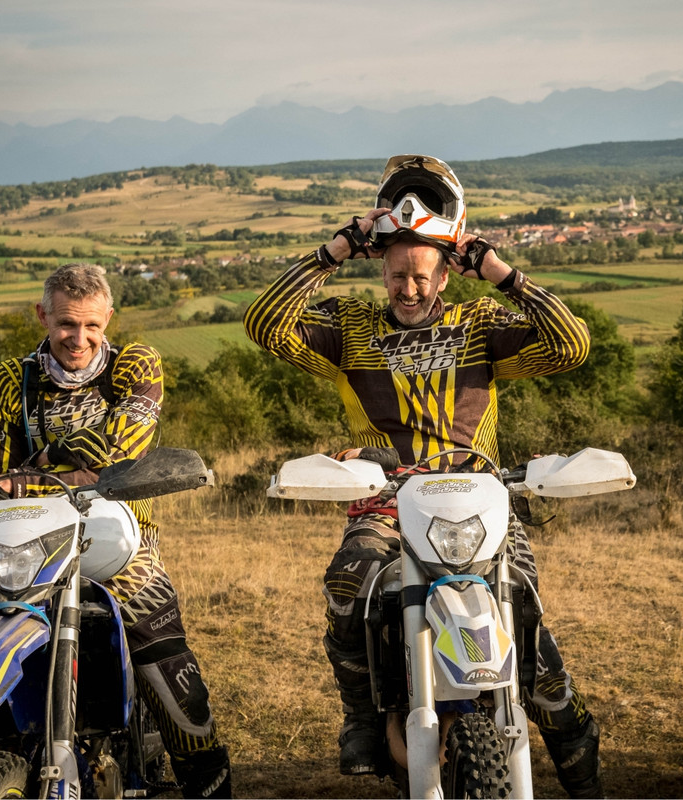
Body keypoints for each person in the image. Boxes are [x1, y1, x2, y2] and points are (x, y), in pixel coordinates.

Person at [244, 155, 602, 797]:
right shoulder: (351, 330)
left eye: (422, 276)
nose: (409, 289)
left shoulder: (480, 326)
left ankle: (575, 746)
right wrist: (336, 248)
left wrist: (498, 270)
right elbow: (263, 324)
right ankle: (361, 715)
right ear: (380, 268)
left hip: (477, 498)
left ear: (445, 276)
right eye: (397, 274)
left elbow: (573, 345)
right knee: (346, 582)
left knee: (520, 606)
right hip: (384, 499)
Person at [0, 263, 231, 799]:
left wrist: (39, 464)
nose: (80, 338)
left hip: (123, 541)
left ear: (108, 318)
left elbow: (123, 451)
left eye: (92, 326)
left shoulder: (135, 362)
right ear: (43, 316)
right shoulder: (9, 380)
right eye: (67, 324)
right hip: (31, 545)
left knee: (163, 657)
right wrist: (69, 474)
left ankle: (206, 779)